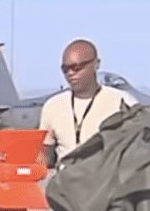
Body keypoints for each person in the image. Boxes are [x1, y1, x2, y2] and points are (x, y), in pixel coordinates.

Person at [39, 39, 137, 169]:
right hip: (65, 185)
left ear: (96, 64)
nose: (70, 74)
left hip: (106, 185)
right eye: (65, 69)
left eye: (76, 68)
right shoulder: (53, 106)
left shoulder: (121, 102)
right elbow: (44, 156)